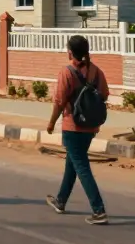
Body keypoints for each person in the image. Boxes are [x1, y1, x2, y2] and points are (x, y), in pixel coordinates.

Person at [45, 35, 110, 225]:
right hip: (91, 126)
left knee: (81, 166)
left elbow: (59, 101)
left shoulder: (67, 72)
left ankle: (99, 210)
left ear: (70, 52)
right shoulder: (97, 72)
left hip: (72, 126)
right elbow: (104, 95)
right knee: (72, 163)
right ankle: (61, 200)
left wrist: (51, 123)